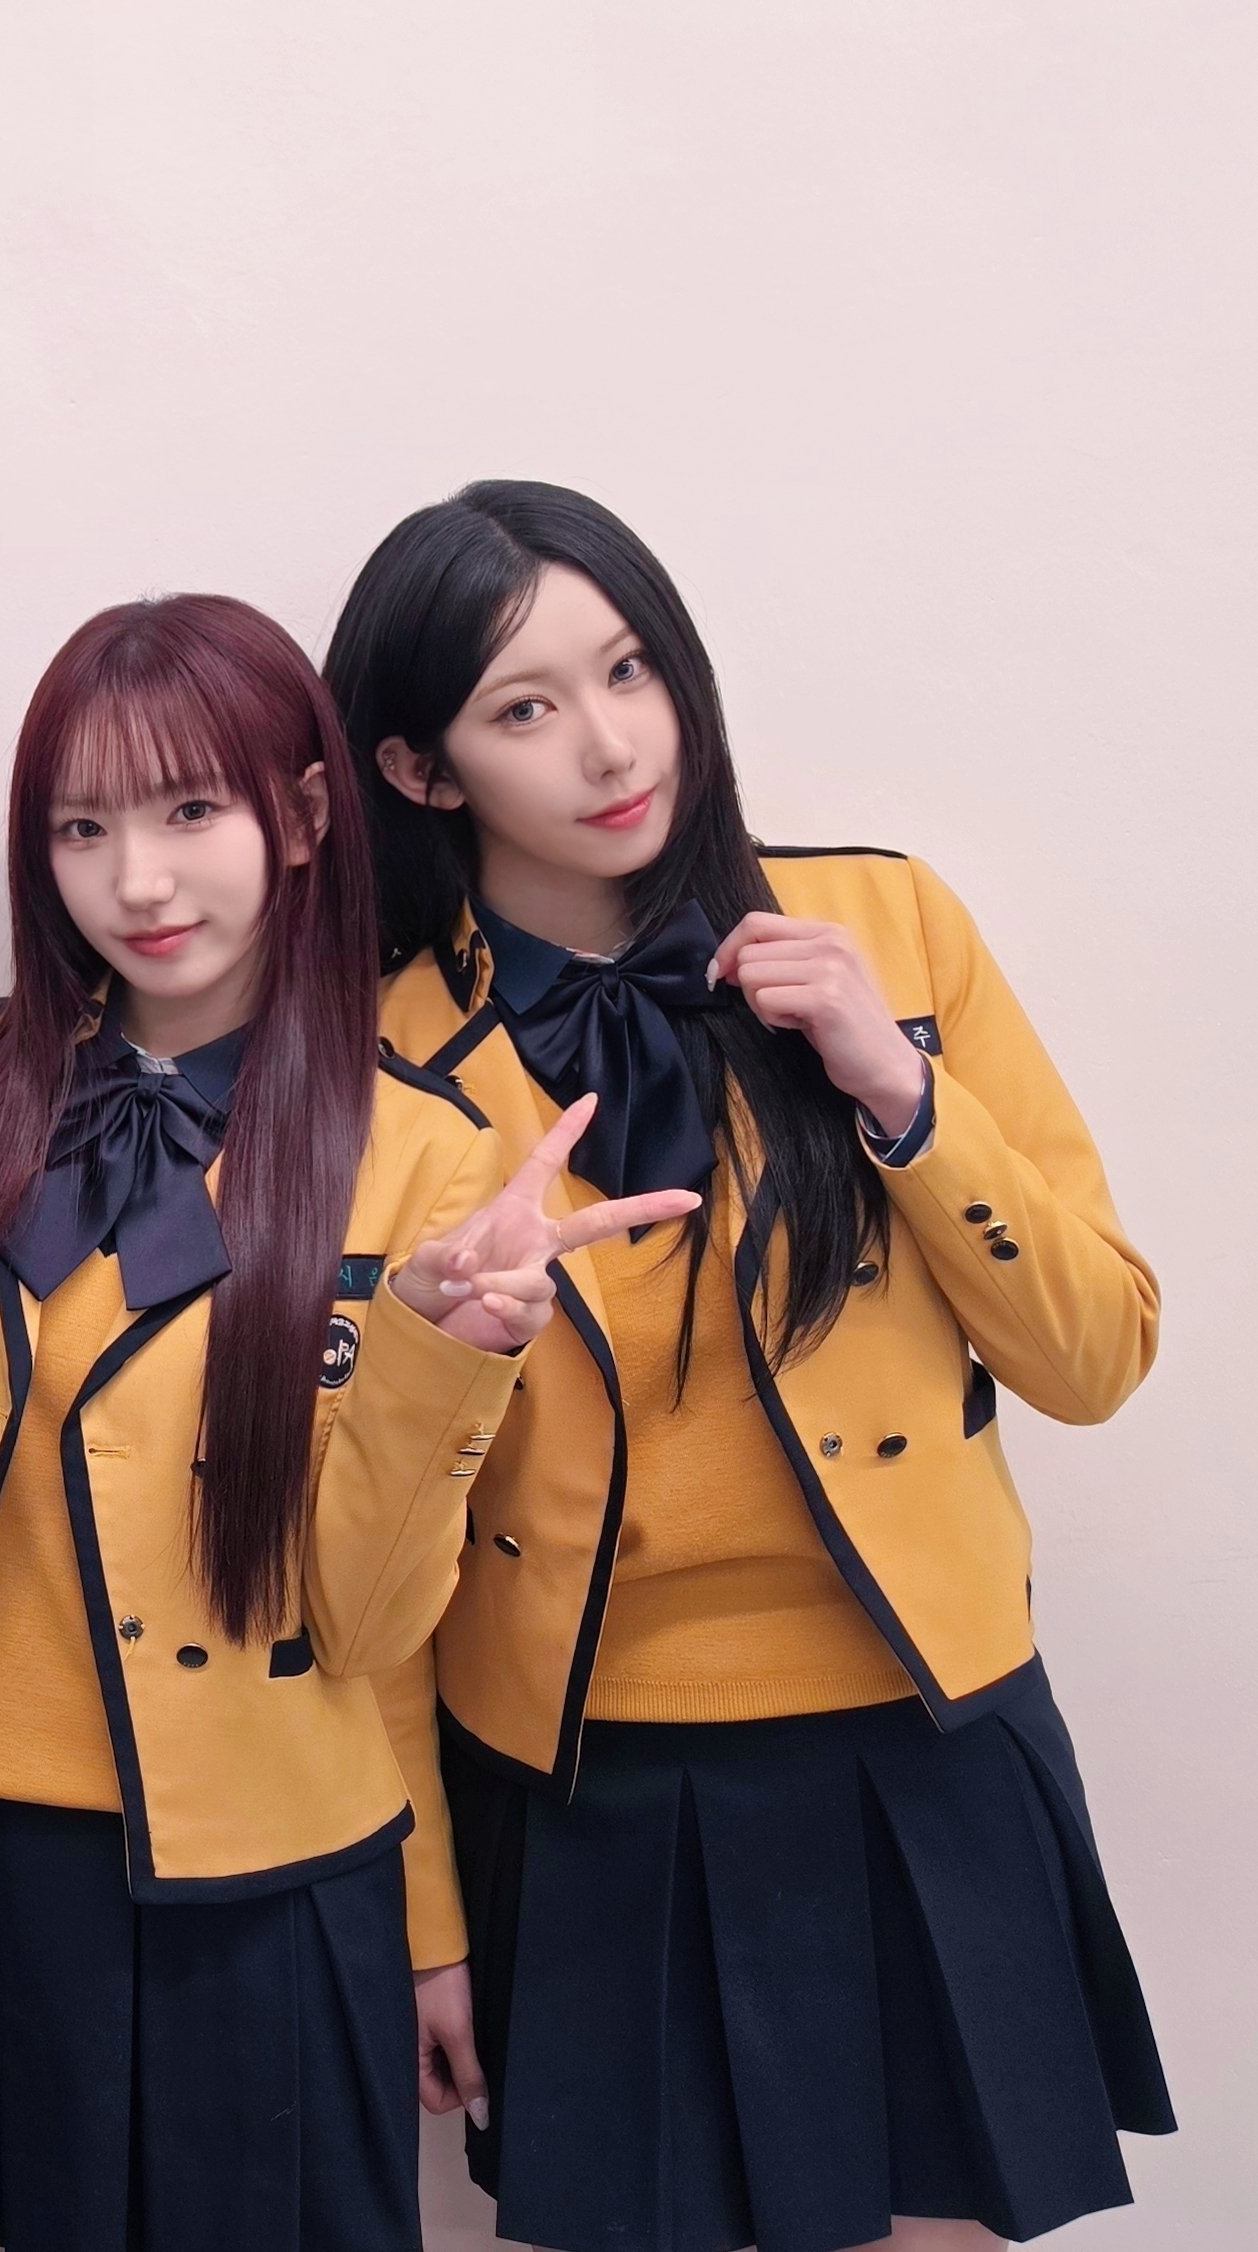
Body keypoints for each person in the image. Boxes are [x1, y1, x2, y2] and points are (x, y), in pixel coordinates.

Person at [328, 479, 1174, 2251]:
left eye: (627, 667)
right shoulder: (378, 1062)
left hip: (923, 1741)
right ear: (418, 769)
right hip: (581, 1780)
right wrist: (420, 1910)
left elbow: (1095, 1354)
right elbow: (363, 1564)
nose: (607, 744)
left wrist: (900, 1094)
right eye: (521, 709)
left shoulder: (886, 929)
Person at [0, 594, 680, 2251]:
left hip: (270, 1866)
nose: (137, 883)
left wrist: (437, 1351)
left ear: (298, 817)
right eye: (82, 828)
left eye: (188, 811)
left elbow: (369, 1629)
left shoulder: (425, 1155)